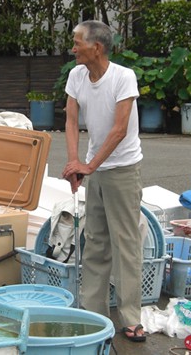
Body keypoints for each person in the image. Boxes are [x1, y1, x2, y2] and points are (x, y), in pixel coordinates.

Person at [61, 20, 146, 342]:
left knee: (125, 243)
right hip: (95, 168)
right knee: (95, 240)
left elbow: (120, 129)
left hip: (123, 168)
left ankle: (131, 318)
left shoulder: (123, 77)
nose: (73, 48)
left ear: (96, 47)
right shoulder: (76, 75)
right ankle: (94, 313)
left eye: (77, 42)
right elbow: (70, 120)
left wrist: (89, 165)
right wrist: (74, 165)